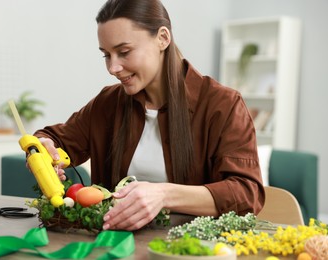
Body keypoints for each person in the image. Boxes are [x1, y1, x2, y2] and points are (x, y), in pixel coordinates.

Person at [33, 0, 265, 231]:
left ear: (163, 38)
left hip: (190, 250)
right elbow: (55, 139)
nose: (113, 68)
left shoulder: (223, 106)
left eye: (124, 52)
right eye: (106, 55)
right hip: (112, 248)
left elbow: (246, 193)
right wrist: (44, 147)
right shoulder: (108, 103)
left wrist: (164, 194)